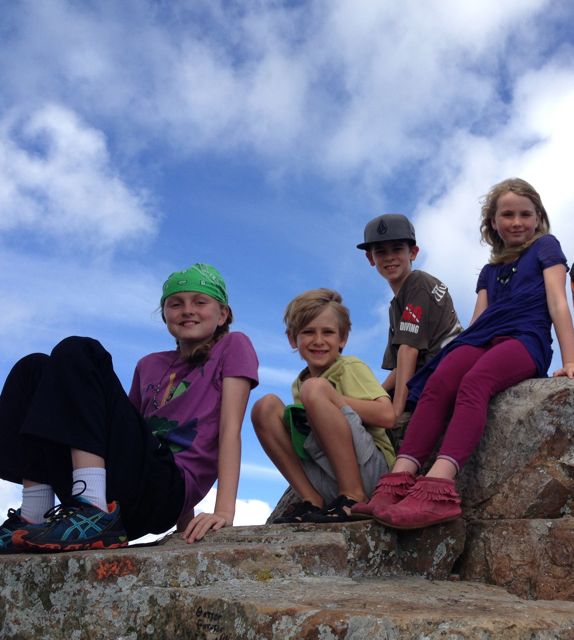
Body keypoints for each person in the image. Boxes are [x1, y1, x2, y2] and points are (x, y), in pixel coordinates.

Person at [352, 178, 574, 529]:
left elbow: (558, 302)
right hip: (486, 336)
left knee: (476, 381)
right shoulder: (489, 271)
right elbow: (477, 323)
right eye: (507, 215)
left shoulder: (546, 247)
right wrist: (455, 356)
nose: (517, 222)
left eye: (525, 214)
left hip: (525, 338)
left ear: (538, 218)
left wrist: (570, 361)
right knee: (441, 380)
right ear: (493, 223)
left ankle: (439, 484)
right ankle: (398, 481)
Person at [0, 264, 258, 553]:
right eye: (176, 303)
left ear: (222, 314)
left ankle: (94, 508)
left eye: (200, 302)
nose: (188, 310)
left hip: (162, 494)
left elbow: (230, 428)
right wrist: (185, 525)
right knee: (31, 369)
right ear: (164, 315)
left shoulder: (233, 345)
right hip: (126, 490)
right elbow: (131, 437)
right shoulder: (149, 364)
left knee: (78, 350)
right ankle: (33, 517)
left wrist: (223, 512)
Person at [252, 289, 396, 524]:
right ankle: (311, 499)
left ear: (342, 339)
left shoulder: (349, 366)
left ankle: (353, 496)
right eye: (308, 332)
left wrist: (331, 398)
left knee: (315, 388)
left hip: (370, 474)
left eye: (328, 332)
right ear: (292, 338)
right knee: (265, 406)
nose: (318, 341)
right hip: (328, 477)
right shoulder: (300, 384)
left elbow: (387, 415)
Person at [357, 214, 462, 420]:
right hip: (428, 373)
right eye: (381, 252)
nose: (389, 258)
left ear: (413, 252)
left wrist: (395, 410)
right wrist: (375, 395)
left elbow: (408, 350)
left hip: (442, 373)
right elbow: (400, 368)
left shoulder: (417, 283)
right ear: (370, 258)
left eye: (397, 249)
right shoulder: (396, 304)